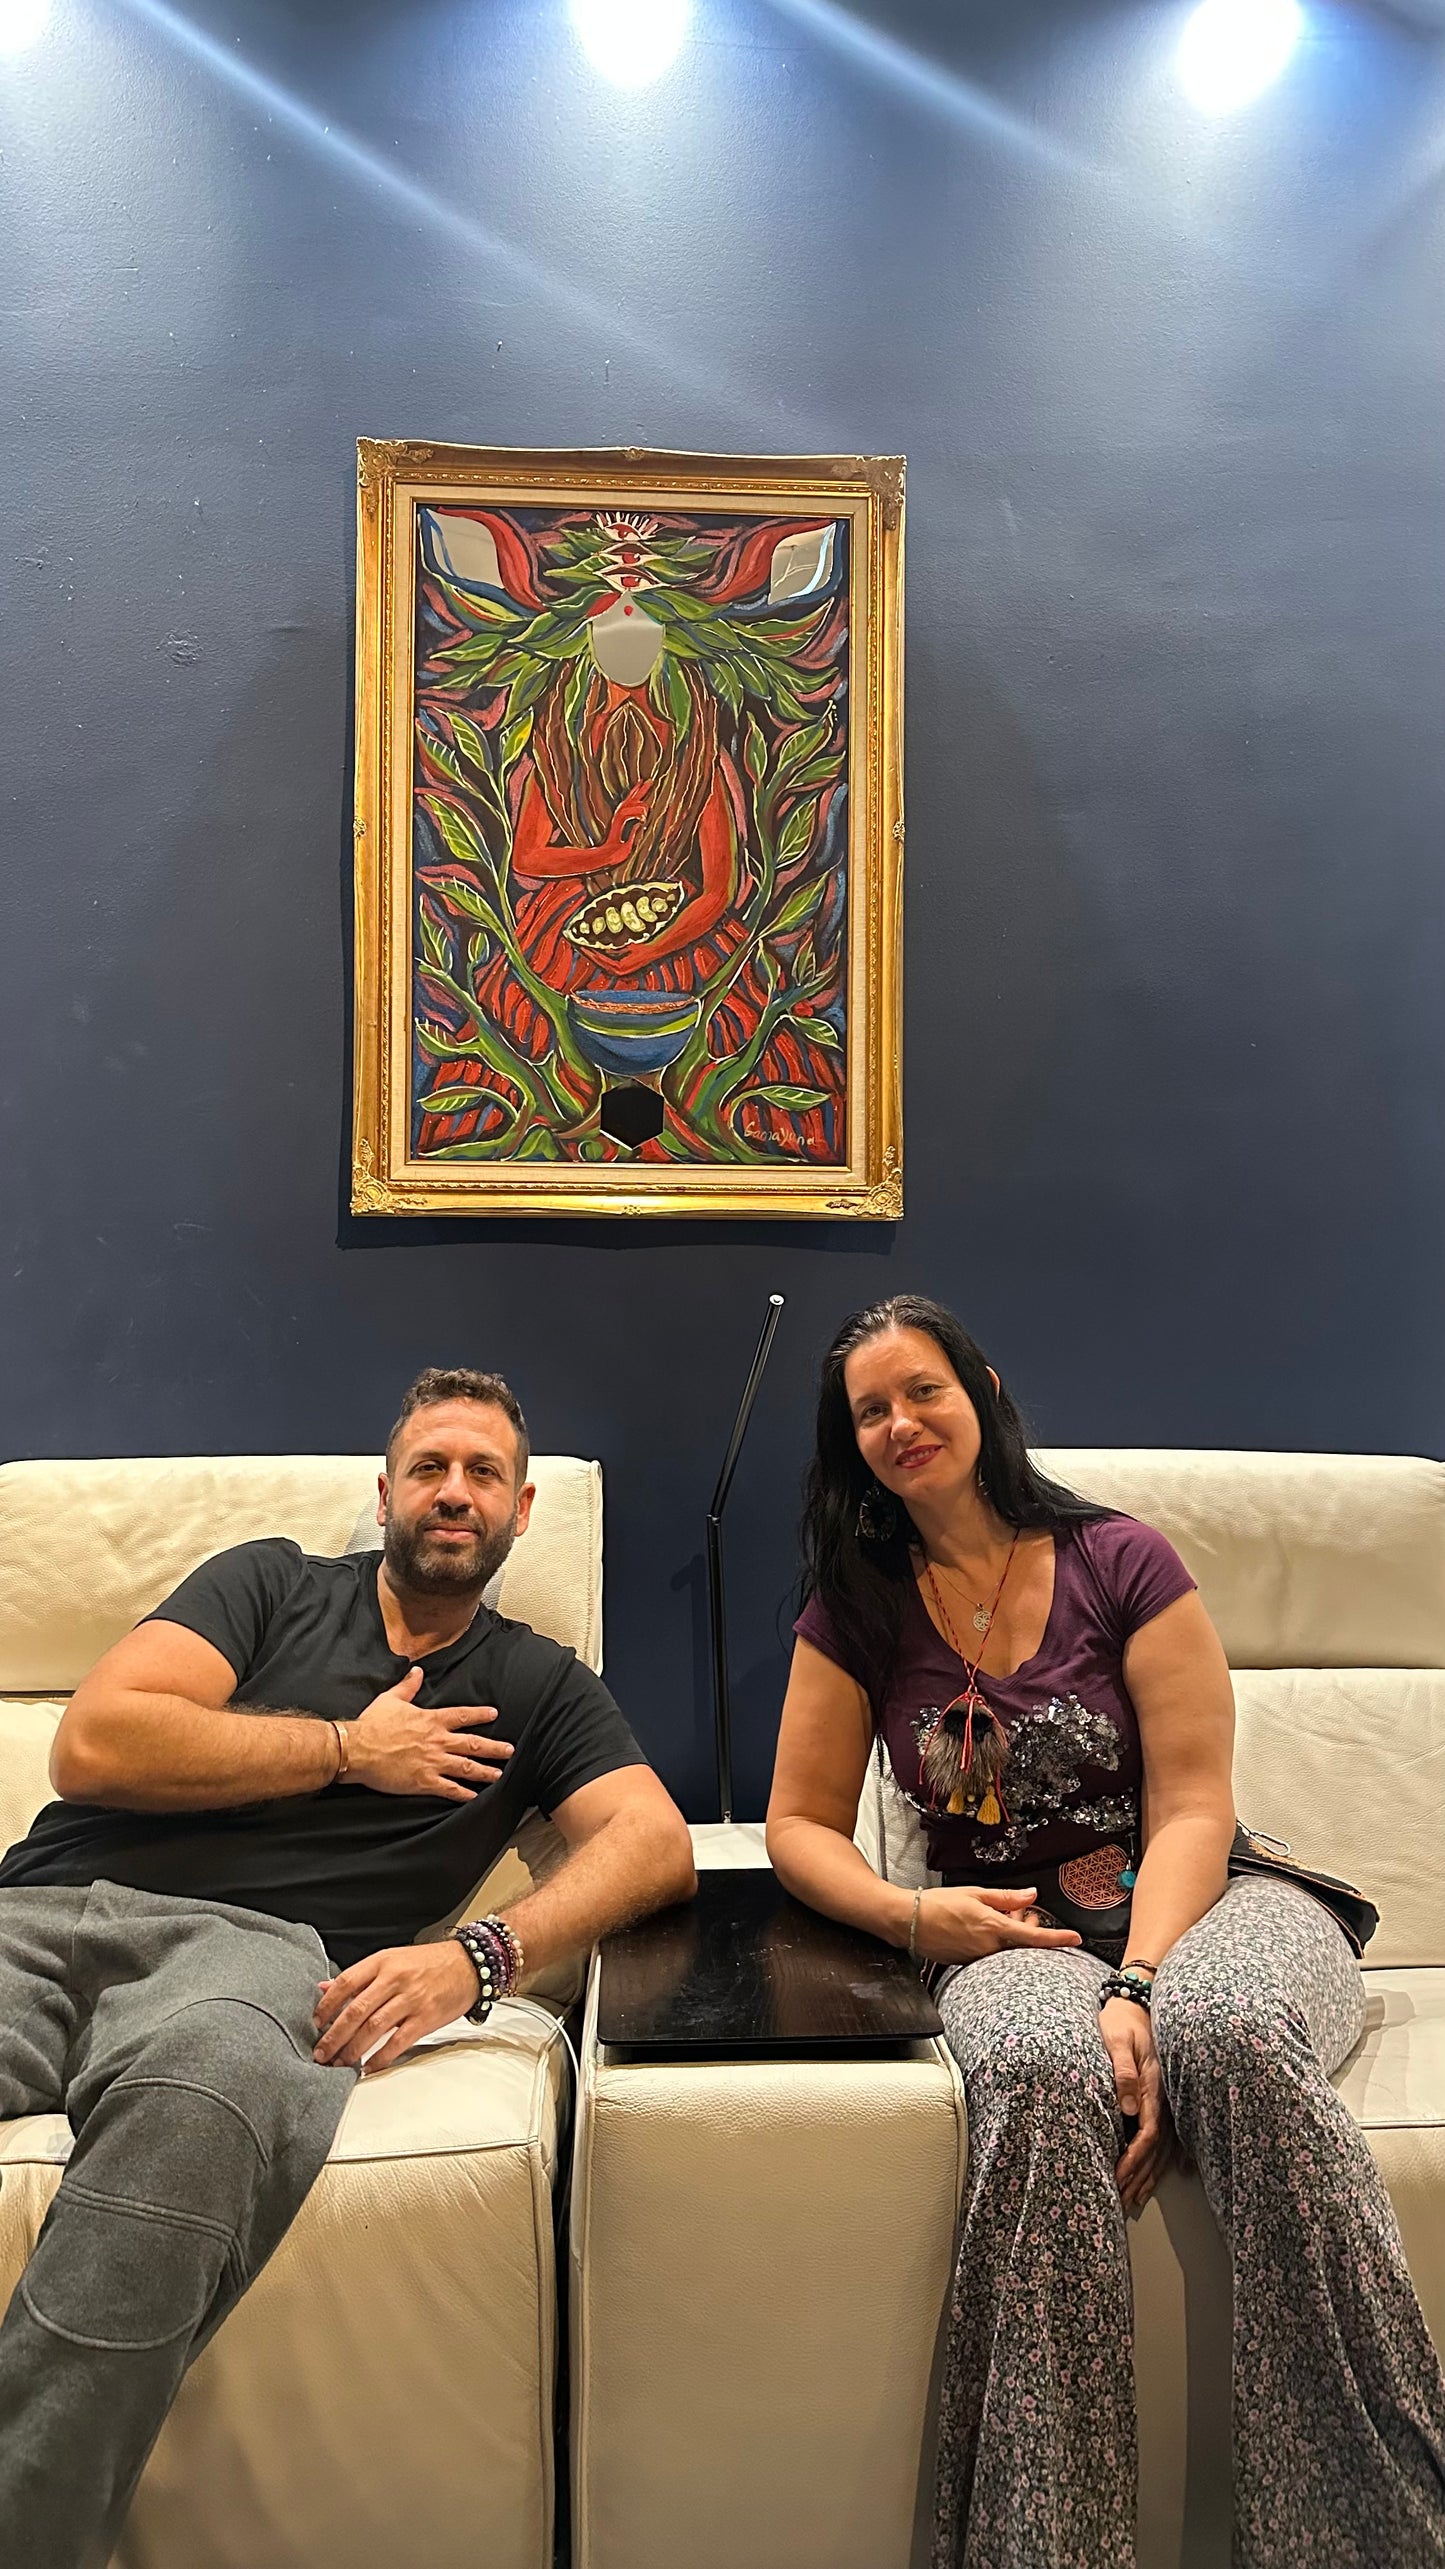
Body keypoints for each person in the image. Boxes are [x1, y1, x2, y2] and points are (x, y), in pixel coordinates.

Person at [766, 1295, 1445, 2569]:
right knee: (1035, 2070)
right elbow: (797, 1823)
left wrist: (1137, 1985)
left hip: (1211, 1899)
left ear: (982, 1392)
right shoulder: (855, 1605)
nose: (899, 1422)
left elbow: (1191, 1803)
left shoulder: (1120, 1557)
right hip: (1007, 1932)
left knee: (1225, 2029)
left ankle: (1377, 2537)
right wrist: (913, 1914)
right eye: (868, 1410)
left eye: (922, 1390)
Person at [0, 1364, 695, 2569]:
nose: (454, 1491)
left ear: (521, 1510)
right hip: (34, 1910)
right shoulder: (267, 1583)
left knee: (203, 2100)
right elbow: (95, 1740)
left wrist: (477, 1956)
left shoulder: (537, 1684)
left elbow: (654, 1843)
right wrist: (343, 1747)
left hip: (244, 1958)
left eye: (483, 1472)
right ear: (383, 1494)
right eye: (429, 1467)